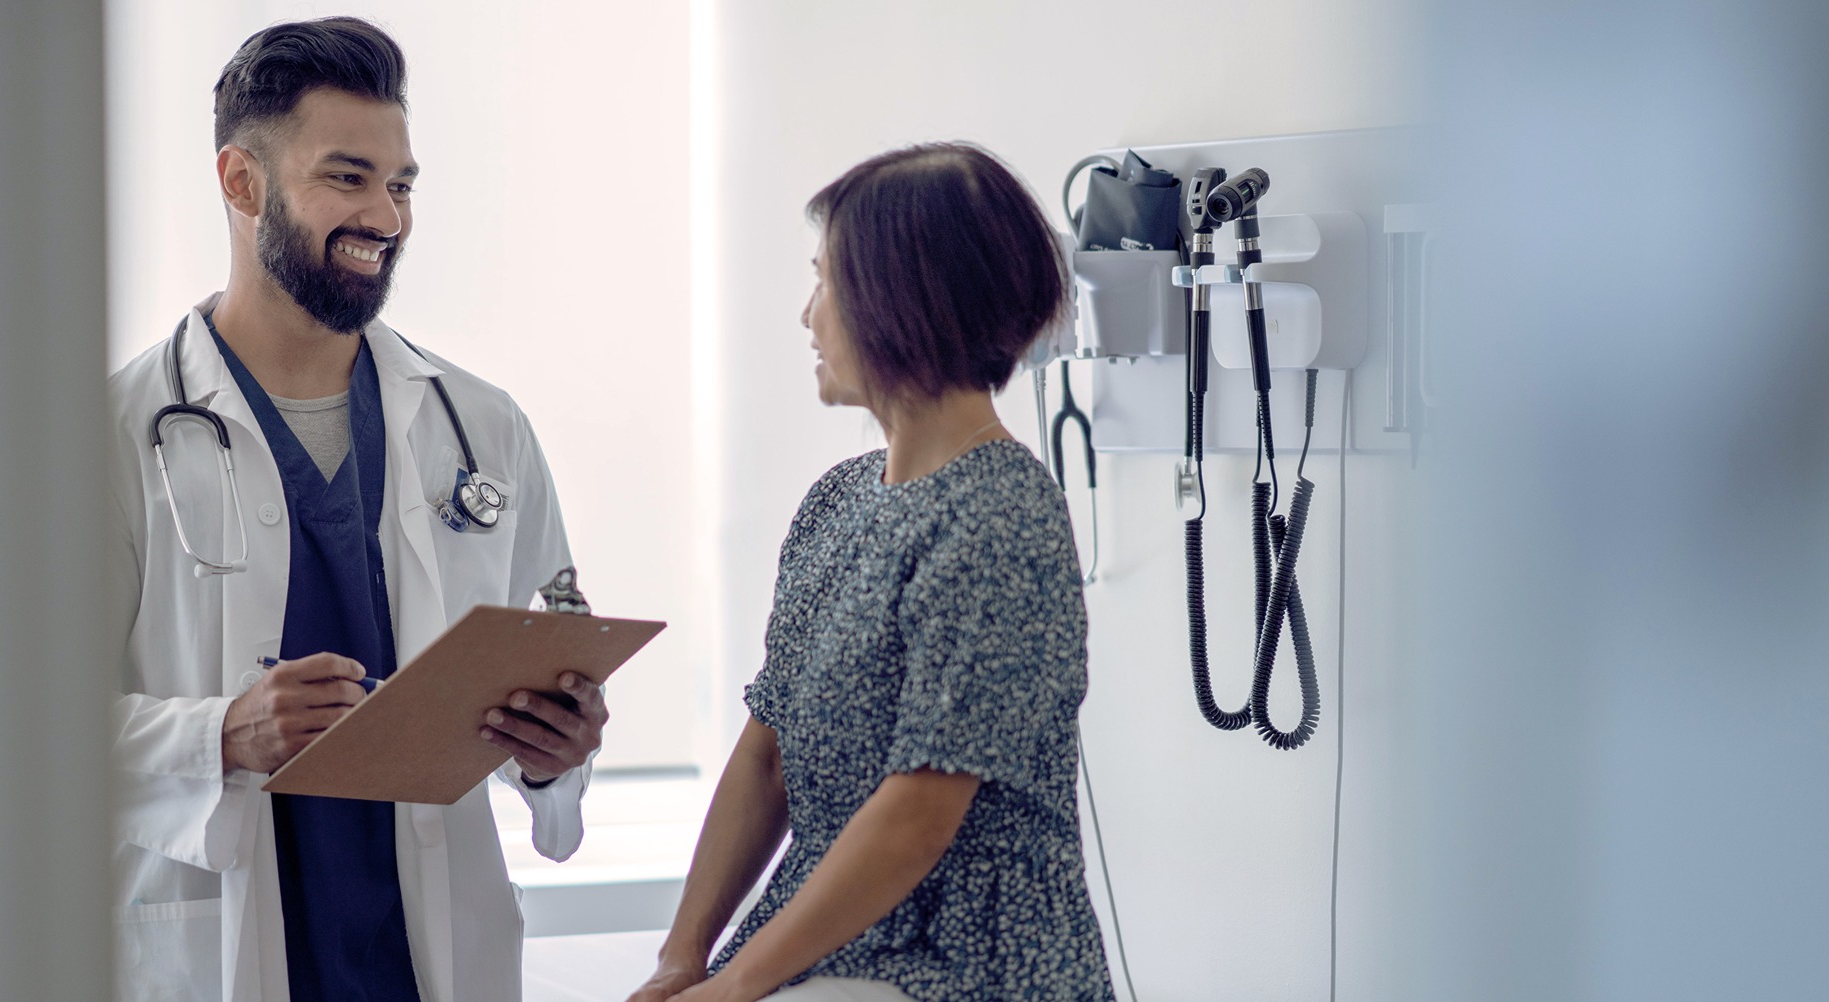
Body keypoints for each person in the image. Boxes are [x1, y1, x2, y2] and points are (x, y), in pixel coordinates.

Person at [106, 19, 607, 1002]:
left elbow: (552, 644)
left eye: (402, 183)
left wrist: (556, 752)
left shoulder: (480, 427)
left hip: (427, 958)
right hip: (221, 950)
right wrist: (220, 735)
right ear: (242, 184)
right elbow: (21, 735)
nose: (389, 214)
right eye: (348, 177)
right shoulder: (118, 436)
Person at [629, 144, 1114, 1002]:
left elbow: (920, 812)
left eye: (826, 282)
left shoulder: (999, 515)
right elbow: (767, 756)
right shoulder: (838, 503)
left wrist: (741, 984)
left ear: (904, 299)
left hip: (962, 963)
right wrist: (682, 959)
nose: (807, 315)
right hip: (831, 943)